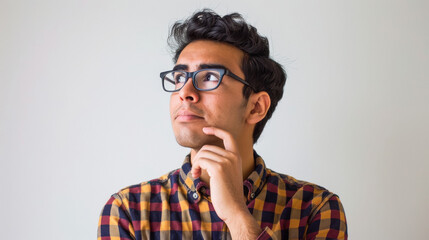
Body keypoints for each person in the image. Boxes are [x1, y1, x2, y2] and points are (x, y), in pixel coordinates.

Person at [98, 9, 347, 240]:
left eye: (209, 77)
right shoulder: (129, 211)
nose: (185, 92)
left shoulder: (315, 208)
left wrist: (237, 214)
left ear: (256, 107)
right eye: (179, 77)